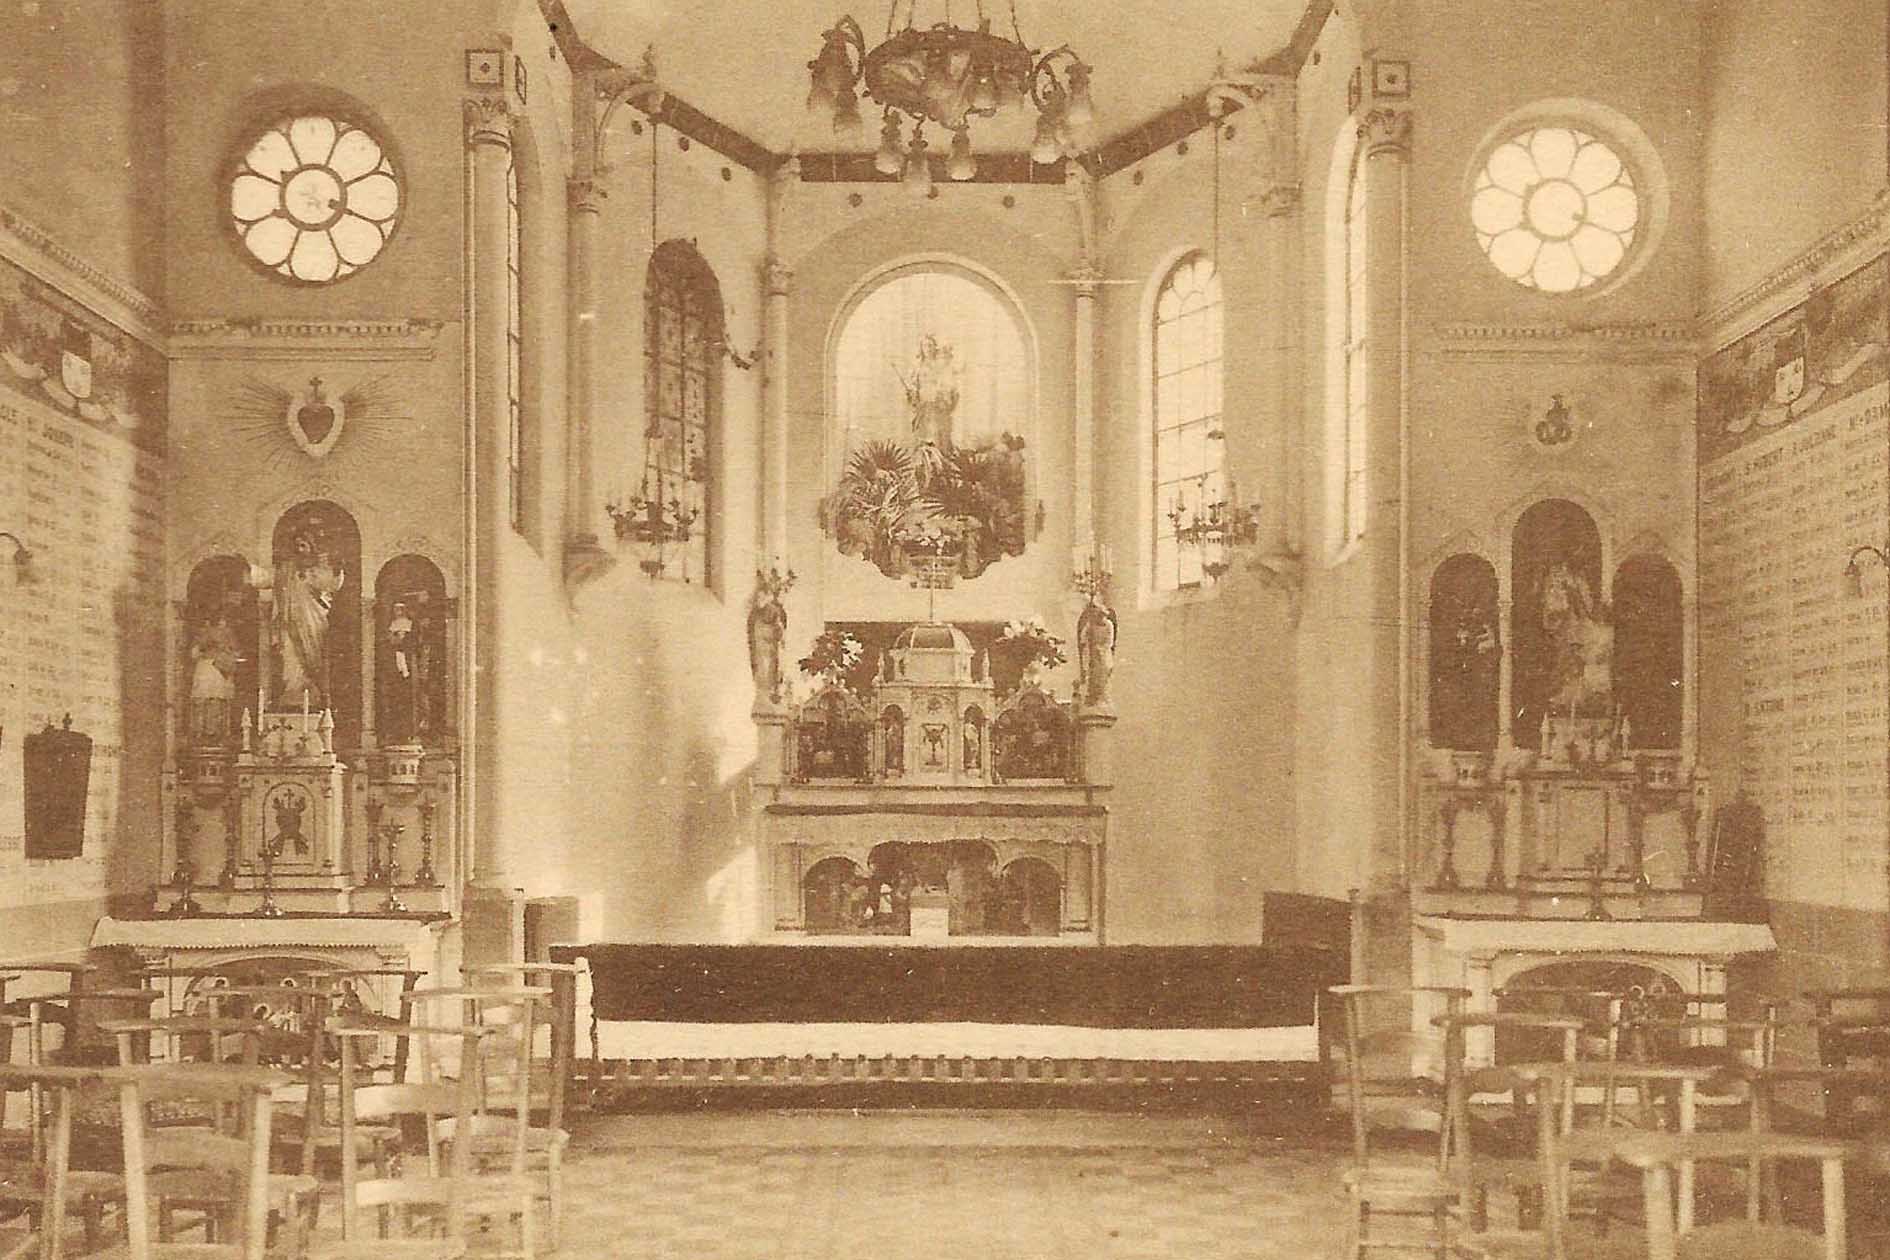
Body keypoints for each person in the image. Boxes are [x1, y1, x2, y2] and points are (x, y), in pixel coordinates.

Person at [275, 527, 345, 710]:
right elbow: (275, 588)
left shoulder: (319, 569)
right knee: (291, 657)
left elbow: (332, 585)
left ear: (311, 547)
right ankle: (293, 692)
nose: (299, 550)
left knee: (313, 657)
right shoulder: (288, 569)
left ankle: (313, 694)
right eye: (297, 546)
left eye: (303, 546)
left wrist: (336, 570)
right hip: (291, 624)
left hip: (313, 623)